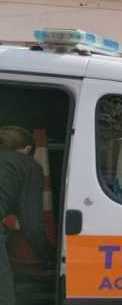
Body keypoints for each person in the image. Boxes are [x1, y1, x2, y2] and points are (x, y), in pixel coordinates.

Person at [0, 126, 55, 305]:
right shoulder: (28, 165)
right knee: (4, 296)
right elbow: (32, 226)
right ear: (28, 149)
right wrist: (49, 255)